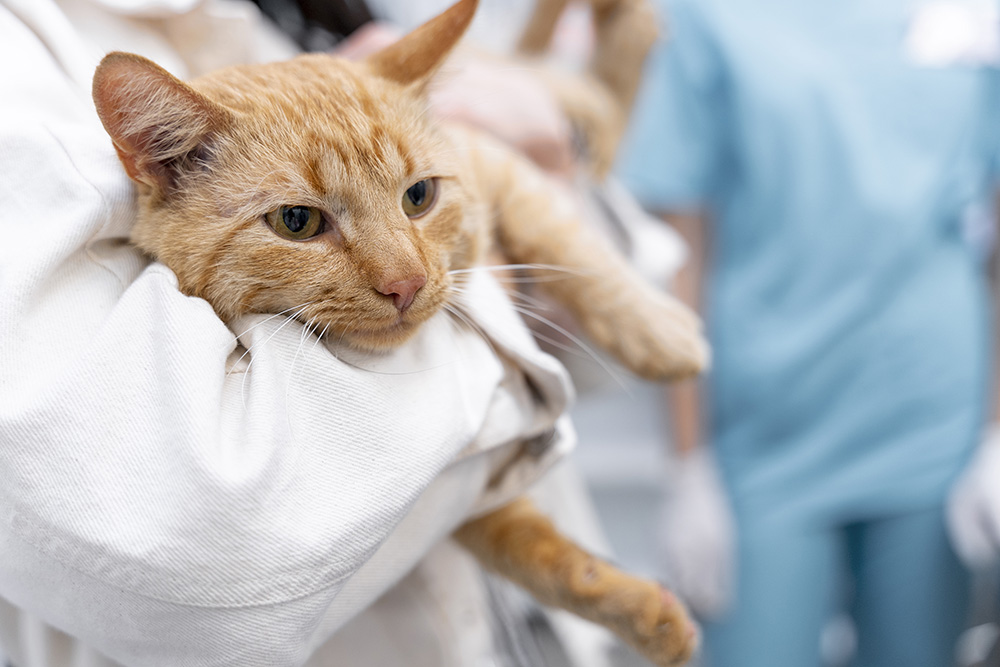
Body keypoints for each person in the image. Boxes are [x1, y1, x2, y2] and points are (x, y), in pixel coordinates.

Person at [0, 1, 588, 665]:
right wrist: (495, 289)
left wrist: (563, 152)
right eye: (303, 222)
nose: (403, 281)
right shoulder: (15, 59)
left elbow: (585, 349)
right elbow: (206, 559)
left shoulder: (319, 11)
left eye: (418, 198)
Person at [617, 0, 1000, 665]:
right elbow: (678, 254)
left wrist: (997, 430)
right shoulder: (708, 18)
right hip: (765, 439)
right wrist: (688, 465)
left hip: (934, 426)